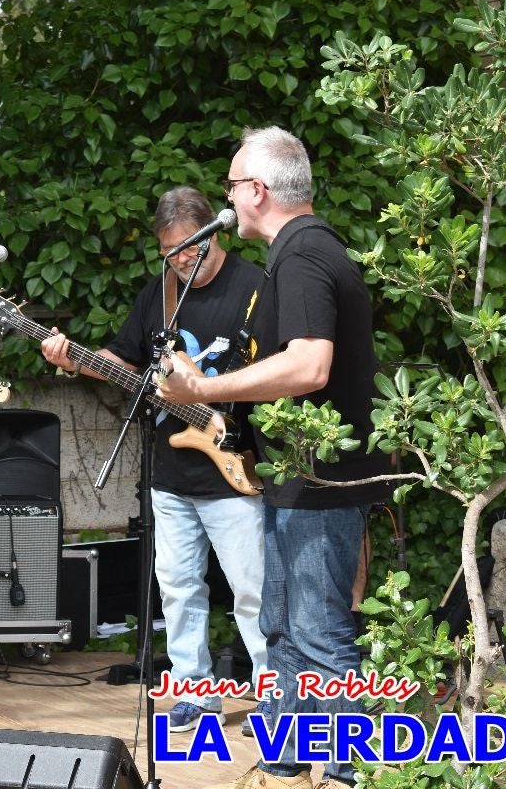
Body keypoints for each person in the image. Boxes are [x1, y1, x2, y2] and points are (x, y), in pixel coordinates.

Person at [156, 128, 390, 789]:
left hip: (320, 486)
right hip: (296, 480)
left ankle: (347, 776)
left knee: (319, 636)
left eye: (231, 183)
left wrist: (201, 389)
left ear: (256, 191)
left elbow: (310, 365)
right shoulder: (297, 251)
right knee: (284, 633)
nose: (226, 195)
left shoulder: (305, 254)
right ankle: (284, 766)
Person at [40, 186, 269, 734]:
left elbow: (283, 370)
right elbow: (124, 360)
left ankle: (274, 690)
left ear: (212, 233)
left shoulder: (256, 287)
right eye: (170, 252)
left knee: (252, 589)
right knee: (178, 586)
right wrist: (72, 358)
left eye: (190, 249)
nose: (182, 260)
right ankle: (193, 689)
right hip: (170, 473)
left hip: (236, 464)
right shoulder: (159, 294)